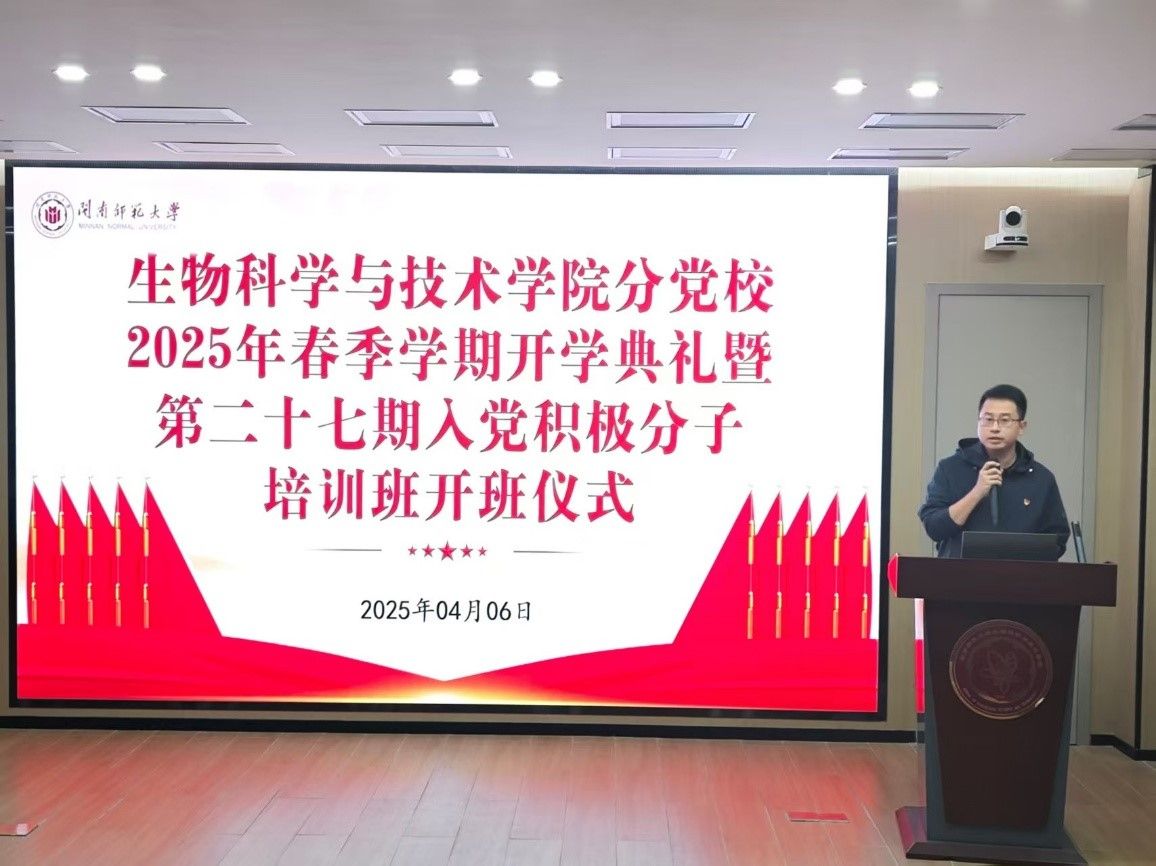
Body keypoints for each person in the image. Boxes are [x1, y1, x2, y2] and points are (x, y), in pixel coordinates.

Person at [918, 384, 1069, 559]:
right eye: (988, 419)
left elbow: (1057, 540)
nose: (995, 427)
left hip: (1020, 575)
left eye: (1005, 420)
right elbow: (934, 528)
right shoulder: (950, 468)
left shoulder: (1041, 478)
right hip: (960, 574)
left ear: (1022, 426)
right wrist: (977, 491)